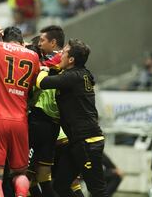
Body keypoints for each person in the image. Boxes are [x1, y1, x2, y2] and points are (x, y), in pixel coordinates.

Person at [36, 39, 108, 197]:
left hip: (88, 142)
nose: (59, 55)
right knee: (60, 186)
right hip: (77, 141)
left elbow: (42, 82)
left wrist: (44, 67)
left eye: (63, 53)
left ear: (71, 60)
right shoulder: (82, 73)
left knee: (97, 190)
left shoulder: (73, 77)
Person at [0, 27, 40, 197]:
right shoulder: (33, 56)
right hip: (20, 121)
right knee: (20, 173)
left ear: (4, 39)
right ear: (22, 41)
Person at [28, 25, 65, 197]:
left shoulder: (55, 59)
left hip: (40, 119)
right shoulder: (64, 60)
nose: (40, 44)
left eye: (43, 40)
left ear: (53, 42)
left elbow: (38, 70)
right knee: (43, 176)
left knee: (22, 174)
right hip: (52, 124)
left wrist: (23, 51)